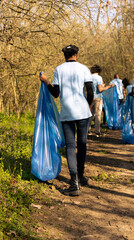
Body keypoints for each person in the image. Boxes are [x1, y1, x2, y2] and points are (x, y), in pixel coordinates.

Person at [40, 44, 93, 196]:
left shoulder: (59, 69)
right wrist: (88, 106)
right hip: (83, 112)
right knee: (82, 144)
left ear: (65, 55)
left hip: (67, 114)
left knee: (71, 146)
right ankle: (81, 176)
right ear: (76, 54)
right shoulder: (84, 68)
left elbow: (55, 93)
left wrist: (46, 81)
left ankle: (74, 183)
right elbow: (90, 91)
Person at [88, 64, 114, 136]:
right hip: (98, 97)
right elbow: (100, 89)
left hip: (89, 97)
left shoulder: (88, 77)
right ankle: (97, 131)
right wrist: (109, 86)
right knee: (98, 114)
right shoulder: (99, 78)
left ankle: (88, 130)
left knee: (90, 114)